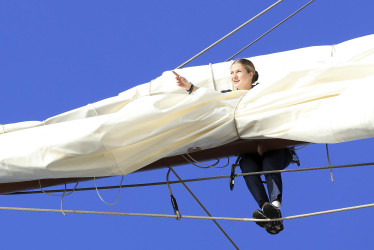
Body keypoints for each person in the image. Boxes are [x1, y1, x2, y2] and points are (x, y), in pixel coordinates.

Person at [173, 59, 294, 235]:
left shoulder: (264, 92)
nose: (234, 76)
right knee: (247, 166)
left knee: (269, 163)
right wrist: (189, 87)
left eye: (238, 72)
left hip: (276, 149)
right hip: (251, 151)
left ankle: (275, 206)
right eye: (231, 73)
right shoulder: (229, 96)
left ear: (250, 74)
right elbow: (210, 97)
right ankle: (266, 210)